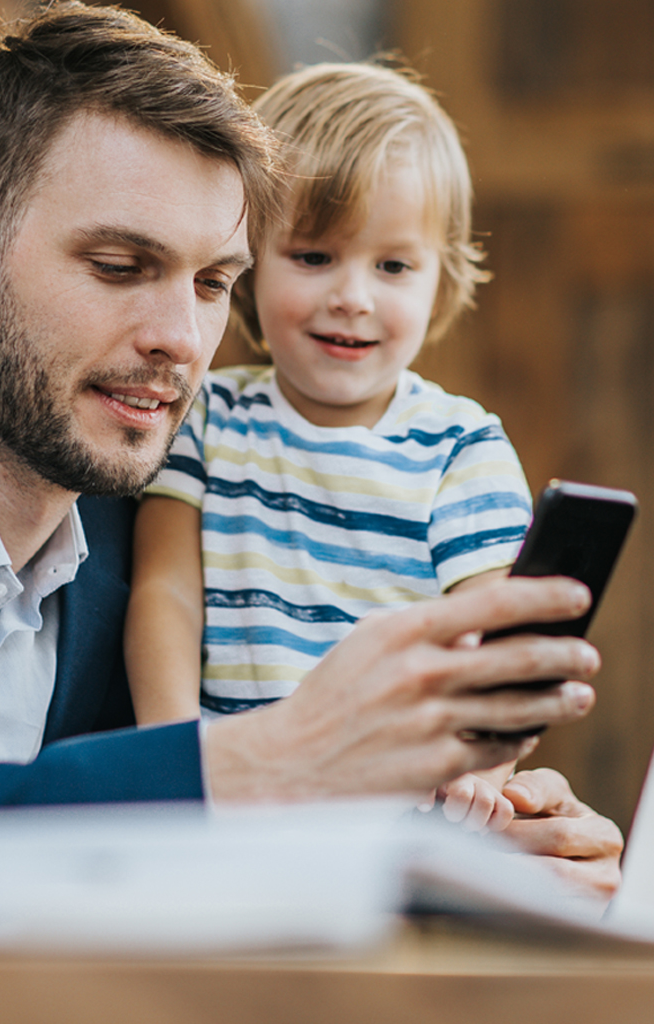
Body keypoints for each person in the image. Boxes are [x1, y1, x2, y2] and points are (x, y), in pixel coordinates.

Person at [0, 0, 620, 899]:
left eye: (212, 282)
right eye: (119, 265)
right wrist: (238, 768)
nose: (183, 341)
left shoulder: (172, 509)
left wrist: (472, 857)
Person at [126, 61, 529, 833]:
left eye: (393, 266)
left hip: (399, 810)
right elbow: (165, 593)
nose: (353, 295)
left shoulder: (459, 449)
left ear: (441, 283)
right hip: (235, 799)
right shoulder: (208, 418)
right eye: (313, 257)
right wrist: (174, 758)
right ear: (244, 271)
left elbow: (498, 641)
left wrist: (482, 760)